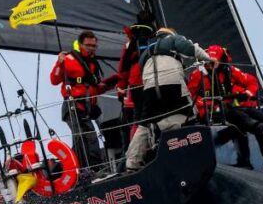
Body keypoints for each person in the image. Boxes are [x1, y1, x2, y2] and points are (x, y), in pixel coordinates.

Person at [124, 27, 211, 172]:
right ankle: (193, 152)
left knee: (145, 123)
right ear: (170, 34)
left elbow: (141, 71)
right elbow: (191, 49)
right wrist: (209, 58)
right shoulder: (173, 39)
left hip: (149, 89)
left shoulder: (145, 51)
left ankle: (132, 163)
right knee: (190, 114)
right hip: (173, 84)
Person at [187, 45, 263, 169]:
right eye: (209, 61)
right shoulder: (198, 74)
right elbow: (191, 96)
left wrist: (248, 93)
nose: (211, 64)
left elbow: (251, 81)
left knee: (248, 114)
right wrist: (210, 105)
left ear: (221, 60)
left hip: (230, 109)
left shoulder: (229, 71)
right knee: (242, 120)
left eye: (214, 61)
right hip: (209, 111)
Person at [50, 30, 119, 171]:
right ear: (80, 45)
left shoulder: (91, 64)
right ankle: (93, 170)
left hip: (86, 108)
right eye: (88, 45)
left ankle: (63, 170)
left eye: (94, 46)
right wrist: (59, 63)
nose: (91, 48)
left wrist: (111, 84)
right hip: (73, 107)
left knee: (83, 140)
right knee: (88, 138)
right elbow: (54, 80)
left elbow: (92, 88)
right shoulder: (69, 59)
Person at [112, 9, 158, 172]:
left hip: (136, 84)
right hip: (153, 80)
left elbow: (123, 67)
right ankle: (149, 151)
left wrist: (121, 88)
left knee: (139, 120)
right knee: (157, 116)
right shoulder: (156, 38)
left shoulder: (131, 42)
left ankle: (133, 157)